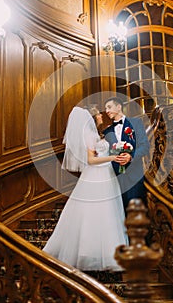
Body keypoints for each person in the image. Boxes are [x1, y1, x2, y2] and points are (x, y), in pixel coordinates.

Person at [43, 106, 128, 271]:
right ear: (90, 119)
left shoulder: (94, 133)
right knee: (97, 212)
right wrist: (113, 157)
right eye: (96, 115)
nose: (100, 117)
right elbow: (91, 160)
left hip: (105, 174)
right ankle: (92, 253)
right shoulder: (89, 135)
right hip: (97, 174)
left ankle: (102, 251)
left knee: (107, 212)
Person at [103, 96, 150, 213]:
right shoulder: (107, 131)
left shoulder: (135, 123)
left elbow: (145, 146)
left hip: (134, 175)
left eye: (109, 107)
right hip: (115, 177)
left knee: (135, 211)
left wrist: (131, 156)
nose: (106, 111)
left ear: (119, 107)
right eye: (105, 108)